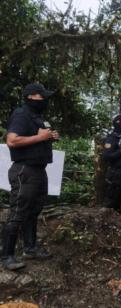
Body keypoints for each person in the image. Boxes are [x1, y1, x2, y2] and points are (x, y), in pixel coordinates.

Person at [3, 83, 58, 270]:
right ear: (31, 97)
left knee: (33, 211)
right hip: (24, 170)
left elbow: (36, 137)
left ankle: (30, 248)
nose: (46, 100)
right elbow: (12, 140)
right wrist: (40, 137)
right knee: (18, 212)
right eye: (43, 97)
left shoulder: (36, 117)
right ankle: (7, 256)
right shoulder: (21, 114)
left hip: (38, 170)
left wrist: (49, 136)